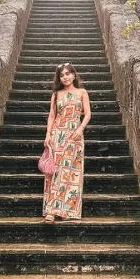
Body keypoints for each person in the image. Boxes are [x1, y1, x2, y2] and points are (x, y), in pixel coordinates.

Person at [43, 63, 91, 223]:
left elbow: (88, 114)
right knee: (55, 172)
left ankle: (66, 211)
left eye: (68, 74)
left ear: (74, 75)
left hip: (75, 136)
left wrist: (81, 129)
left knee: (72, 173)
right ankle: (51, 210)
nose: (65, 77)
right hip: (58, 134)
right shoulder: (56, 95)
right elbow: (51, 116)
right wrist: (48, 135)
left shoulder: (82, 92)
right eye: (62, 75)